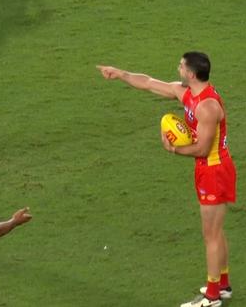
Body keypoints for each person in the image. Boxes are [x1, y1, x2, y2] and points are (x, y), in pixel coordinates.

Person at [97, 52, 236, 307]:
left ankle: (212, 297)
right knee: (215, 231)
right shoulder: (187, 93)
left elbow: (203, 149)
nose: (178, 68)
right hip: (209, 169)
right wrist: (121, 74)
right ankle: (222, 285)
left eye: (182, 66)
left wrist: (173, 149)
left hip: (214, 170)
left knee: (211, 234)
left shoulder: (207, 106)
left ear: (192, 74)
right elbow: (149, 82)